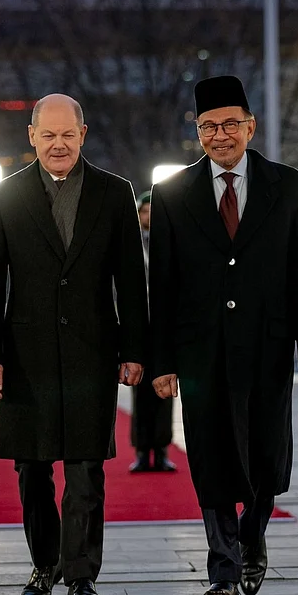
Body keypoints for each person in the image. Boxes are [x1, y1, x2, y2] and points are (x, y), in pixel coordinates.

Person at [147, 75, 298, 595]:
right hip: (201, 351)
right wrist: (163, 361)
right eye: (208, 126)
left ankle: (253, 534)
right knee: (210, 456)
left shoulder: (292, 188)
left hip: (268, 346)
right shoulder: (173, 193)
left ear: (250, 127)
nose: (220, 135)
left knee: (266, 453)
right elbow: (164, 285)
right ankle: (223, 570)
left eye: (230, 124)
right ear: (197, 133)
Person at [0, 93, 149, 595]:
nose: (57, 145)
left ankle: (81, 578)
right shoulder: (3, 196)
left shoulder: (115, 194)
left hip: (92, 352)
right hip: (25, 357)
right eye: (47, 136)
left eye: (67, 135)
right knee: (31, 470)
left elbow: (130, 282)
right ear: (31, 137)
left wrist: (134, 347)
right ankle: (43, 564)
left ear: (83, 134)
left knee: (86, 470)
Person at [129, 190, 176, 472]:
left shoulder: (170, 242)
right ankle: (141, 450)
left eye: (152, 212)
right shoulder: (130, 243)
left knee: (165, 389)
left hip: (163, 326)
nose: (148, 217)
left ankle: (161, 449)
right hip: (138, 326)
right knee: (140, 392)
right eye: (144, 212)